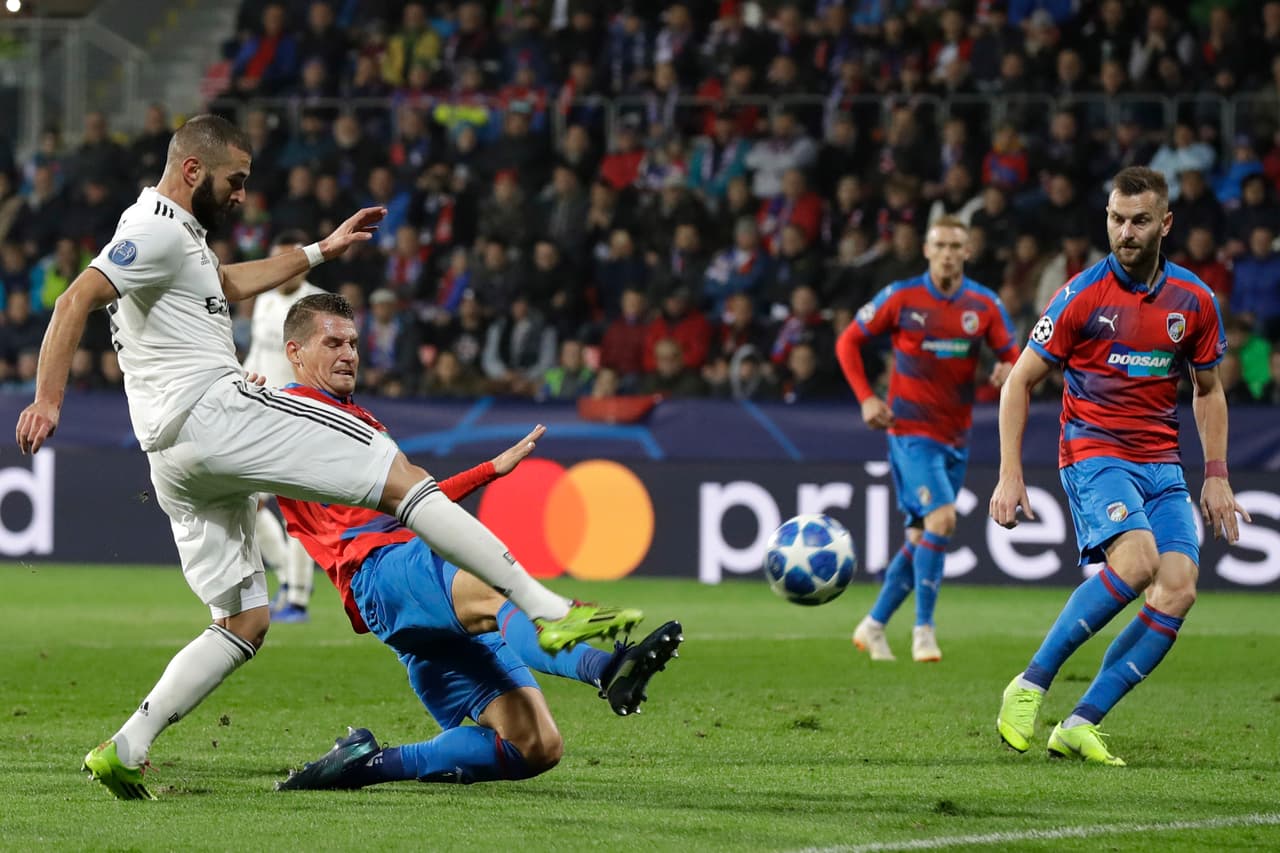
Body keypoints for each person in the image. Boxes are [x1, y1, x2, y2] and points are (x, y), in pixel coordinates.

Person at [13, 115, 642, 800]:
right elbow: (78, 295)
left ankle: (125, 744)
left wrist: (320, 250)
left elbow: (227, 282)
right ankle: (552, 607)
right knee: (400, 474)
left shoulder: (180, 240)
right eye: (235, 181)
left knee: (244, 619)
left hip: (171, 459)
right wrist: (49, 398)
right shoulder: (155, 229)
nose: (241, 196)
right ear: (193, 170)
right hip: (214, 414)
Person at [268, 293, 682, 789]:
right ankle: (606, 667)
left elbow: (420, 502)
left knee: (536, 748)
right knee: (495, 586)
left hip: (411, 590)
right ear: (295, 353)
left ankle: (364, 764)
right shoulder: (284, 414)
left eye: (353, 343)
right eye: (332, 342)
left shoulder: (361, 421)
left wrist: (488, 470)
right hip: (380, 571)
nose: (348, 354)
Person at [990, 166, 1248, 766]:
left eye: (1138, 220)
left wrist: (1216, 471)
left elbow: (1207, 390)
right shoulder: (1080, 294)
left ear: (1165, 223)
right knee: (1136, 564)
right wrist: (1010, 471)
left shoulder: (1194, 300)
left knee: (1178, 589)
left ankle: (1082, 722)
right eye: (1115, 218)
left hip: (1161, 462)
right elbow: (1018, 383)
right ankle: (1028, 685)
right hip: (1094, 449)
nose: (1125, 231)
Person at [835, 216, 1019, 663]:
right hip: (910, 432)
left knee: (921, 535)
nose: (948, 254)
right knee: (943, 519)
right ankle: (924, 631)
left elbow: (1015, 356)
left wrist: (1008, 369)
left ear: (968, 252)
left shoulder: (985, 304)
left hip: (956, 434)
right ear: (926, 250)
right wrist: (865, 399)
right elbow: (848, 342)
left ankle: (874, 625)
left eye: (957, 246)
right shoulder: (901, 297)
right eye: (940, 245)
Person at [241, 231, 326, 624]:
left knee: (299, 510)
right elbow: (258, 352)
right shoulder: (264, 298)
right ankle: (286, 581)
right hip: (258, 416)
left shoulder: (315, 306)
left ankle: (299, 598)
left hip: (296, 419)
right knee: (246, 504)